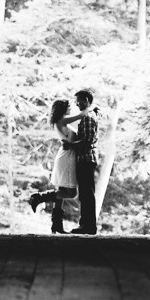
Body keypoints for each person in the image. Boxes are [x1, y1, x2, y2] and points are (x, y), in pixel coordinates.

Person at [28, 98, 95, 233]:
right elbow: (81, 115)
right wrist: (92, 107)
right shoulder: (61, 120)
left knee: (61, 191)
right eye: (69, 106)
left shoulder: (61, 121)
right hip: (68, 157)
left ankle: (57, 225)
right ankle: (39, 197)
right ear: (63, 109)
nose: (72, 107)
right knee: (70, 193)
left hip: (67, 155)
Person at [62, 89, 100, 235]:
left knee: (87, 193)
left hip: (87, 158)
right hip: (83, 158)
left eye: (79, 100)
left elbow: (87, 141)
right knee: (84, 193)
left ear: (87, 100)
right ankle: (85, 224)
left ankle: (89, 226)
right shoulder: (86, 116)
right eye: (76, 101)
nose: (77, 103)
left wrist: (71, 145)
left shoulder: (88, 117)